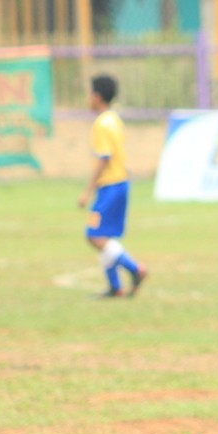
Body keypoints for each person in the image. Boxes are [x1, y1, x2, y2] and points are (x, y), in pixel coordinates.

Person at [78, 74, 147, 298]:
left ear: (97, 97)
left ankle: (134, 269)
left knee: (94, 236)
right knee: (104, 236)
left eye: (90, 94)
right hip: (121, 183)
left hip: (110, 186)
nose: (88, 99)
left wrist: (88, 190)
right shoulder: (114, 119)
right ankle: (115, 287)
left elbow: (104, 157)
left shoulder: (102, 124)